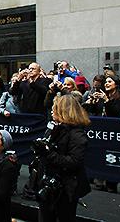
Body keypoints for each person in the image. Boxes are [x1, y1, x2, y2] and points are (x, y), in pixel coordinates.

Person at [35, 94, 91, 222]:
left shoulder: (77, 134)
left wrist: (48, 154)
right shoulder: (54, 128)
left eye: (55, 108)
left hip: (66, 188)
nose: (52, 110)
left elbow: (74, 161)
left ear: (62, 111)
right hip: (48, 183)